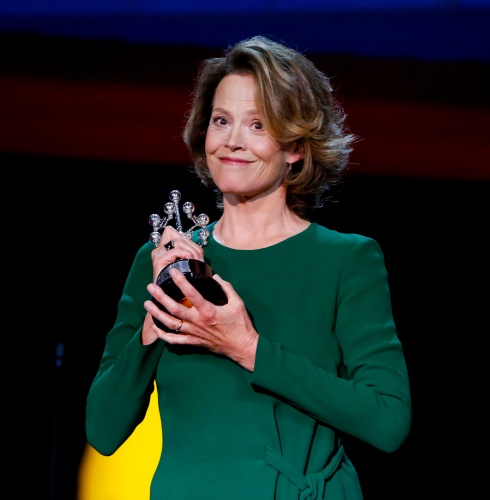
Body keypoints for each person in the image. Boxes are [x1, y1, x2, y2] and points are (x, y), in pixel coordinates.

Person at [85, 35, 412, 499]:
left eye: (258, 125)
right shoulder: (162, 261)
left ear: (296, 147)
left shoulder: (346, 260)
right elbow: (103, 429)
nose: (233, 141)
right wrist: (152, 322)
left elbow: (387, 421)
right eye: (222, 121)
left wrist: (247, 347)